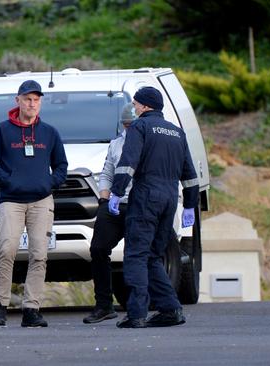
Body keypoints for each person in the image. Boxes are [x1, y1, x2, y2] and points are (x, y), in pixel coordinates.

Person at [109, 86, 199, 328]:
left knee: (136, 255)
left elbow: (128, 163)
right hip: (169, 199)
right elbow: (190, 175)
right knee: (152, 256)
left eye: (136, 104)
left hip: (146, 196)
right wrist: (190, 205)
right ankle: (171, 310)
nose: (134, 108)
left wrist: (116, 192)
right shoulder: (177, 132)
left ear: (146, 106)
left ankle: (136, 314)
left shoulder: (140, 127)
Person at [0, 79, 68, 327]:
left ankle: (31, 309)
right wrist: (9, 182)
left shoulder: (49, 133)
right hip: (11, 201)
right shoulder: (1, 130)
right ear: (17, 100)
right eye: (28, 99)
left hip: (42, 201)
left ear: (40, 103)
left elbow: (61, 165)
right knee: (6, 250)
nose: (32, 104)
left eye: (36, 100)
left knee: (39, 255)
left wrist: (50, 183)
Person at [83, 103, 135, 324]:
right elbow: (107, 172)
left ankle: (137, 305)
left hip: (137, 203)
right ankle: (104, 305)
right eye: (126, 125)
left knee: (135, 254)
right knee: (98, 248)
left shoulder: (150, 143)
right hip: (114, 203)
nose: (129, 129)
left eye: (133, 125)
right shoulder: (116, 144)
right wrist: (104, 197)